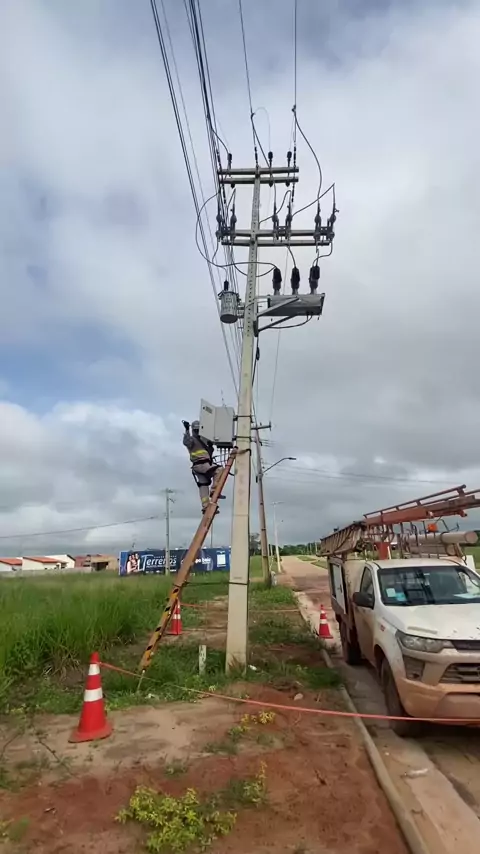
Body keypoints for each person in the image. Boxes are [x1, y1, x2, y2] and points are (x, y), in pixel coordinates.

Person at [182, 420, 225, 513]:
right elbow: (186, 442)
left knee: (203, 485)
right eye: (196, 430)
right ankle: (214, 491)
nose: (197, 432)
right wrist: (186, 430)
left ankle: (206, 506)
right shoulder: (192, 439)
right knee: (219, 470)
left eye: (198, 430)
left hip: (201, 466)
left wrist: (210, 447)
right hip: (201, 465)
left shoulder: (203, 441)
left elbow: (208, 455)